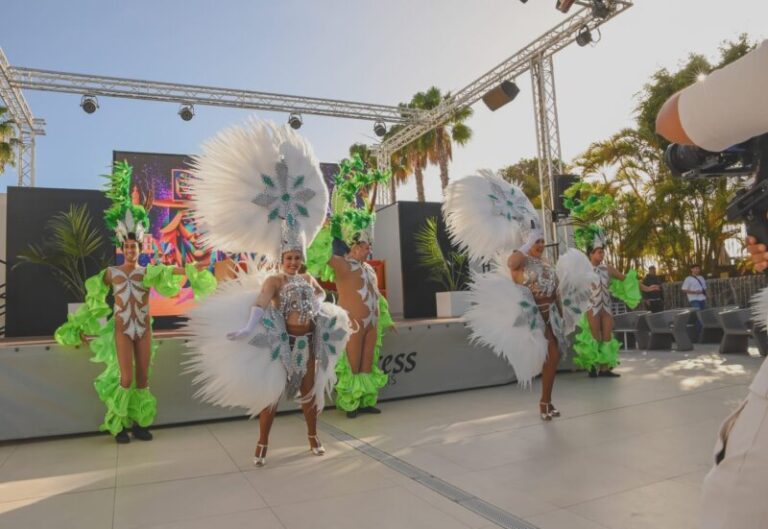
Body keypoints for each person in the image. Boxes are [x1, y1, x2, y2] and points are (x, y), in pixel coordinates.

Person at [184, 119, 351, 467]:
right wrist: (247, 329)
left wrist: (332, 317)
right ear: (282, 258)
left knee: (309, 396)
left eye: (296, 258)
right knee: (271, 399)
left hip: (309, 344)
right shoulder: (274, 282)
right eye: (288, 258)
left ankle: (313, 438)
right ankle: (262, 445)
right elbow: (261, 304)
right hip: (281, 344)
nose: (292, 262)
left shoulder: (308, 281)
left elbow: (322, 300)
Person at [55, 162, 217, 443]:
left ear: (141, 248)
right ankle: (119, 426)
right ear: (122, 247)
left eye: (135, 247)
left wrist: (196, 269)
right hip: (121, 329)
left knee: (143, 379)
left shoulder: (148, 271)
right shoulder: (111, 274)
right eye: (127, 247)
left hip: (143, 329)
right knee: (126, 378)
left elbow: (179, 271)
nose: (130, 250)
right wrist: (78, 327)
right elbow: (92, 301)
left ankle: (139, 423)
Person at [443, 171, 594, 420]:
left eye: (542, 241)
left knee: (554, 357)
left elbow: (555, 288)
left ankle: (546, 401)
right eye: (537, 242)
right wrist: (526, 244)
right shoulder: (521, 259)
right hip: (533, 316)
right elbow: (512, 264)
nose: (541, 244)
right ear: (528, 243)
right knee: (550, 356)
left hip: (552, 315)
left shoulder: (545, 262)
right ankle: (544, 402)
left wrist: (562, 311)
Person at [306, 155, 394, 419]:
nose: (369, 248)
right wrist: (327, 230)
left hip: (371, 325)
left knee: (368, 362)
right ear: (354, 245)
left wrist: (384, 319)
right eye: (365, 245)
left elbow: (377, 297)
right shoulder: (342, 265)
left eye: (369, 245)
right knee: (352, 362)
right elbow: (318, 255)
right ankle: (351, 403)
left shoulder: (369, 269)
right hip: (353, 324)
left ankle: (366, 400)